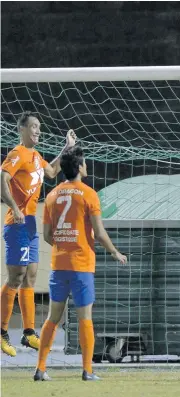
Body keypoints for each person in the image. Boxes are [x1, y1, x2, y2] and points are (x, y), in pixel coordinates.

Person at [34, 146, 127, 381]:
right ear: (79, 167)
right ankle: (87, 370)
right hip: (81, 265)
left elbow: (46, 235)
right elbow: (99, 232)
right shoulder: (89, 194)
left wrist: (64, 242)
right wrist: (115, 252)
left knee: (53, 318)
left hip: (59, 264)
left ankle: (40, 369)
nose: (87, 167)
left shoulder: (53, 195)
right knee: (85, 318)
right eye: (84, 163)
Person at [1, 111, 76, 357]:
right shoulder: (17, 154)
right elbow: (3, 178)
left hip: (31, 222)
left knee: (31, 276)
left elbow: (52, 173)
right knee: (16, 276)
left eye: (39, 127)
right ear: (22, 129)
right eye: (33, 126)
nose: (38, 131)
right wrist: (13, 207)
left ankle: (28, 332)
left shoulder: (35, 156)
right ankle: (1, 332)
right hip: (17, 223)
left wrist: (67, 148)